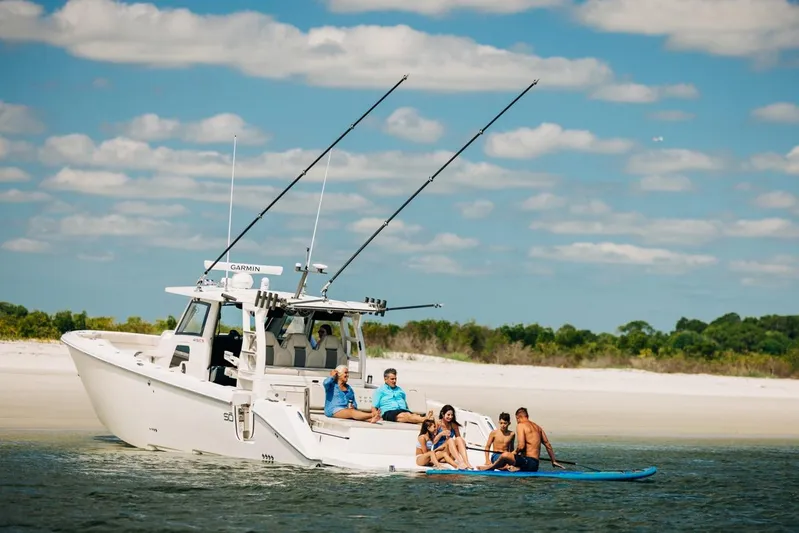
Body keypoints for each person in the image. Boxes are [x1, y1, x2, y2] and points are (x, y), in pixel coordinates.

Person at [478, 407, 564, 472]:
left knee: (505, 455)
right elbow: (547, 444)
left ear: (518, 417)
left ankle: (490, 468)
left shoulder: (521, 425)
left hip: (527, 462)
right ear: (527, 416)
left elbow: (521, 446)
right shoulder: (538, 428)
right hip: (535, 465)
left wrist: (512, 454)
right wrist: (553, 460)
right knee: (512, 458)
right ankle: (517, 468)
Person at [434, 404, 474, 469]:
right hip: (439, 453)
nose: (450, 417)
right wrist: (441, 434)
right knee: (450, 440)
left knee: (459, 439)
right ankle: (460, 462)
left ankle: (466, 462)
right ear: (442, 414)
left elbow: (459, 439)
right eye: (448, 415)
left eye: (452, 415)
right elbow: (433, 442)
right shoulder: (438, 424)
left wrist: (464, 444)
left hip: (450, 454)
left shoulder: (454, 425)